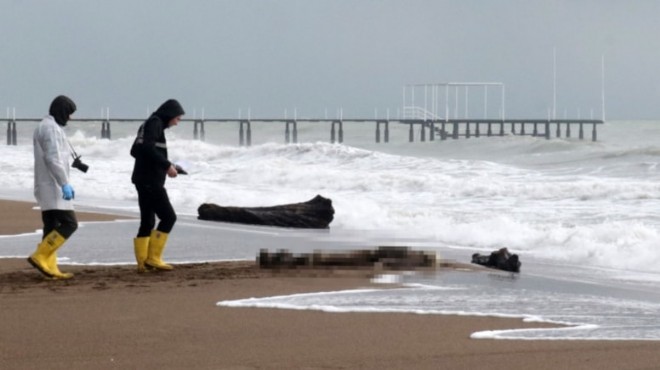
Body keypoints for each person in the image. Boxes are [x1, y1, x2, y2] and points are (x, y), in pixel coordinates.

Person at [130, 99, 185, 273]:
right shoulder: (155, 123)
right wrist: (166, 165)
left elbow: (135, 151)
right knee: (169, 217)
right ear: (169, 114)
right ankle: (153, 259)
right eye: (177, 118)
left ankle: (142, 263)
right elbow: (147, 149)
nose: (178, 122)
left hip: (142, 178)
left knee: (147, 221)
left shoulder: (149, 124)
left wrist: (169, 164)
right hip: (150, 181)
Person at [28, 95, 78, 279]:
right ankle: (40, 256)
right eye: (69, 114)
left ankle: (49, 266)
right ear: (61, 112)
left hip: (46, 185)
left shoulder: (46, 126)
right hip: (52, 185)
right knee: (69, 223)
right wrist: (64, 183)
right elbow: (53, 158)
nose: (70, 118)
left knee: (51, 226)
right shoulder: (50, 129)